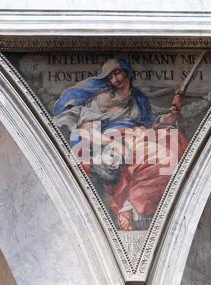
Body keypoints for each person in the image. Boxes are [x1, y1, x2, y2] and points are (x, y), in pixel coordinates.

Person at [53, 58, 188, 231]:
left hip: (137, 136)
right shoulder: (103, 98)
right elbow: (87, 129)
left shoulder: (138, 98)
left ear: (127, 71)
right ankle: (128, 207)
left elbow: (148, 122)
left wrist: (170, 116)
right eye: (110, 76)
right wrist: (112, 141)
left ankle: (132, 203)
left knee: (172, 146)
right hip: (112, 139)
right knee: (164, 157)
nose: (115, 79)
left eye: (117, 72)